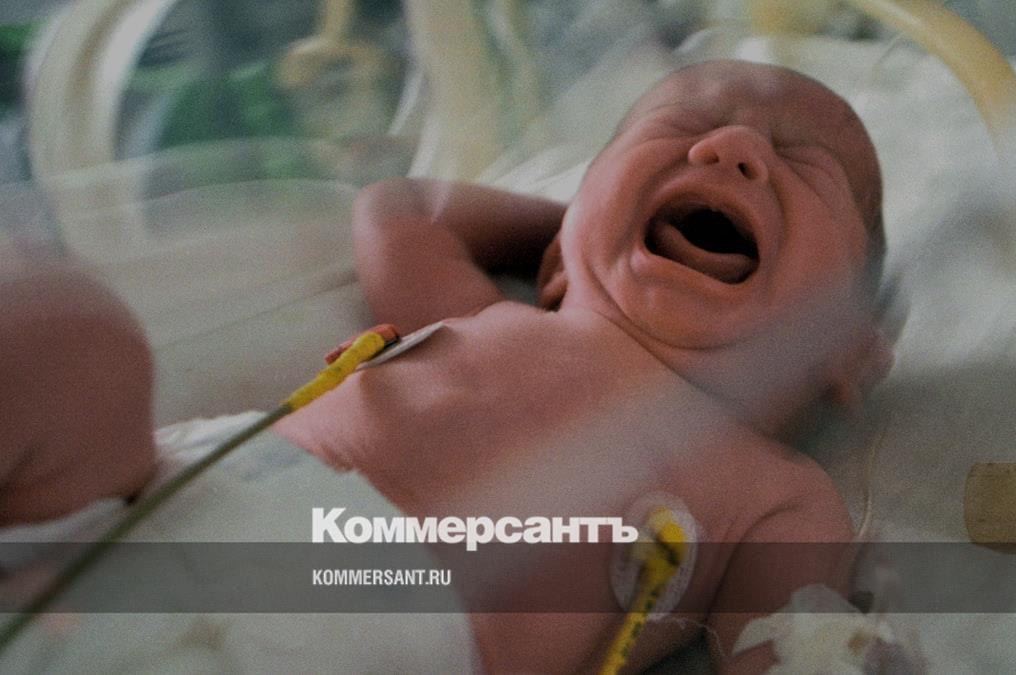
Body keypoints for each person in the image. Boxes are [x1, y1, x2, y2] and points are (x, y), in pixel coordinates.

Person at [1, 60, 891, 672]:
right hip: (171, 497)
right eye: (683, 126)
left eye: (806, 167)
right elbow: (403, 207)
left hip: (379, 627)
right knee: (73, 335)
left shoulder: (773, 491)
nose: (732, 150)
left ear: (846, 348)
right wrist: (574, 232)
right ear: (553, 261)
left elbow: (795, 646)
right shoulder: (482, 318)